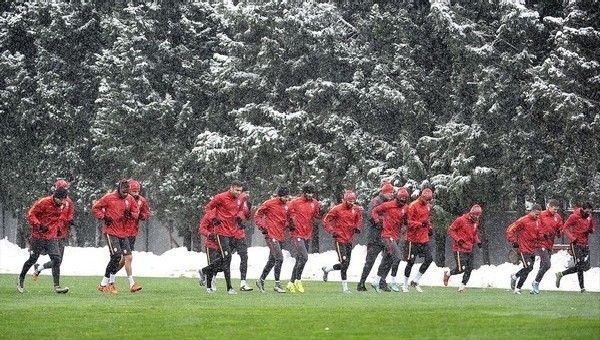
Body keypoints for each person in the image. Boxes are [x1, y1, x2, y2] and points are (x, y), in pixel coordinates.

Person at [17, 187, 70, 294]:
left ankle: (57, 286)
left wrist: (59, 229)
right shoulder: (43, 202)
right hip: (38, 236)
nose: (64, 202)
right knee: (33, 259)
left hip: (52, 237)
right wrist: (39, 225)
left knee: (56, 259)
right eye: (62, 199)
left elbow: (58, 219)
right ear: (56, 197)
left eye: (65, 199)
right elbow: (30, 214)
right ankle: (21, 278)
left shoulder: (63, 205)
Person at [93, 179, 140, 294]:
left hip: (123, 233)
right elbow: (96, 207)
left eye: (127, 191)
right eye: (123, 191)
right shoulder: (109, 197)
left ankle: (107, 283)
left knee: (128, 256)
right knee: (116, 256)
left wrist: (131, 215)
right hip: (111, 232)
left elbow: (136, 212)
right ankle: (111, 283)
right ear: (119, 188)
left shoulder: (130, 199)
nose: (125, 194)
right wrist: (104, 217)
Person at [204, 180, 245, 295]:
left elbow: (241, 210)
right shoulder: (220, 197)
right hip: (221, 231)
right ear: (231, 188)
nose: (238, 193)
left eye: (240, 191)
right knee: (227, 258)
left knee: (226, 259)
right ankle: (229, 288)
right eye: (237, 190)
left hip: (232, 232)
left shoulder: (240, 198)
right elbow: (208, 208)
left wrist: (239, 218)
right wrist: (213, 217)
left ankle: (205, 270)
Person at [321, 190, 363, 293]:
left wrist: (357, 227)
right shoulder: (337, 209)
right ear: (344, 200)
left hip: (349, 239)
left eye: (353, 201)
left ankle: (327, 269)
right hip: (339, 239)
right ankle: (345, 288)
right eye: (349, 201)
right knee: (344, 262)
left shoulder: (356, 209)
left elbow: (359, 218)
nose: (351, 203)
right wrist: (332, 231)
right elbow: (326, 220)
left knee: (346, 264)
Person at [33, 179, 74, 282]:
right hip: (51, 232)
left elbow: (70, 214)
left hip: (61, 233)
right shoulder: (50, 200)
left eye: (64, 189)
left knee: (58, 261)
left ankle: (39, 267)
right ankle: (56, 285)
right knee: (54, 258)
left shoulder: (69, 202)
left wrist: (71, 220)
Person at [370, 187, 409, 293]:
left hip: (396, 236)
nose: (403, 202)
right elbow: (375, 211)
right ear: (397, 198)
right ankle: (393, 281)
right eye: (401, 199)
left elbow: (406, 219)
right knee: (398, 257)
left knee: (387, 259)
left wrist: (406, 222)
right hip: (387, 235)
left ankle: (376, 281)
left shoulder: (405, 208)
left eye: (405, 200)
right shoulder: (388, 205)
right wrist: (377, 221)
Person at [357, 182, 395, 292]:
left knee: (388, 259)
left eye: (392, 193)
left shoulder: (391, 203)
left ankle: (382, 281)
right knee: (370, 261)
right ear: (384, 192)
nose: (391, 195)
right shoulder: (376, 201)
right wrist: (383, 221)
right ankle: (361, 282)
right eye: (390, 193)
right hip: (375, 236)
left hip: (386, 235)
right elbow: (371, 216)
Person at [286, 182, 323, 293]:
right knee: (304, 257)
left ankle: (291, 283)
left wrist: (322, 212)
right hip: (297, 233)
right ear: (304, 192)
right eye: (308, 193)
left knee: (300, 259)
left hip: (307, 233)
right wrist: (290, 223)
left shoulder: (315, 203)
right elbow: (287, 213)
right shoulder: (295, 202)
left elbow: (317, 216)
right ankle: (298, 280)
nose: (310, 195)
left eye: (312, 193)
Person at [254, 186, 292, 293]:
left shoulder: (287, 206)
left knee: (272, 260)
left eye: (287, 196)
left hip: (280, 236)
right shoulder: (269, 203)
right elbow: (257, 215)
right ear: (279, 196)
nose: (286, 199)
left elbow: (286, 220)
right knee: (279, 258)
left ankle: (260, 280)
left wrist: (290, 224)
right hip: (271, 235)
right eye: (285, 196)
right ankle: (277, 284)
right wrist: (262, 227)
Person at [115, 180, 150, 293]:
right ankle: (131, 283)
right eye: (133, 191)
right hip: (121, 231)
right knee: (126, 257)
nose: (136, 193)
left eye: (137, 191)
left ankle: (109, 276)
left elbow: (146, 214)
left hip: (132, 232)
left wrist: (140, 216)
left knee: (124, 258)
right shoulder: (123, 199)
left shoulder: (142, 201)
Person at [555, 202, 595, 293]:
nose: (588, 214)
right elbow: (565, 228)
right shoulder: (574, 216)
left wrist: (591, 230)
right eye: (587, 212)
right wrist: (573, 238)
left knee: (584, 266)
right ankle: (582, 288)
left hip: (585, 244)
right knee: (580, 265)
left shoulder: (589, 217)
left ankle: (561, 274)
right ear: (583, 209)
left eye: (590, 212)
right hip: (576, 244)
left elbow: (592, 228)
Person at [443, 204, 482, 293]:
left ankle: (461, 288)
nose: (476, 217)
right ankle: (448, 274)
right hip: (459, 249)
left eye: (478, 215)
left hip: (469, 248)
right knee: (461, 269)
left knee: (469, 268)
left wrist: (478, 241)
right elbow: (451, 229)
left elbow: (474, 234)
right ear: (471, 213)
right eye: (475, 215)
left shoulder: (476, 222)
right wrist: (458, 239)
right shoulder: (461, 220)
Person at [403, 188, 434, 293]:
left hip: (424, 238)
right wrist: (420, 224)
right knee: (410, 262)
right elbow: (408, 222)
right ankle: (405, 284)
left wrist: (429, 228)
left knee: (429, 259)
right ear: (422, 197)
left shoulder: (428, 207)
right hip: (413, 238)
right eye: (427, 200)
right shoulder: (413, 205)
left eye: (430, 200)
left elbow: (428, 220)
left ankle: (416, 280)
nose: (428, 202)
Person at [506, 204, 541, 295]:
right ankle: (518, 288)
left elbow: (537, 234)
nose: (537, 216)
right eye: (536, 214)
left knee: (529, 268)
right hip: (523, 248)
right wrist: (513, 241)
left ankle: (515, 276)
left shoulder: (537, 221)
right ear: (532, 211)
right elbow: (510, 229)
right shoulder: (523, 220)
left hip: (532, 249)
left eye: (539, 215)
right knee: (528, 267)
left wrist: (541, 239)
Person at [531, 199, 562, 294]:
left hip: (549, 244)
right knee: (547, 264)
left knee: (543, 266)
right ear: (549, 207)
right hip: (541, 243)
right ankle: (535, 282)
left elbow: (560, 227)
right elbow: (535, 226)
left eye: (557, 209)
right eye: (554, 209)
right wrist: (542, 234)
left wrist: (559, 232)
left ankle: (535, 286)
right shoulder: (542, 215)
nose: (555, 211)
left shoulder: (557, 217)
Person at [231, 182, 253, 292]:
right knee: (224, 259)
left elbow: (248, 217)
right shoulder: (233, 201)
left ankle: (243, 283)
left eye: (248, 192)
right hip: (229, 234)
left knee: (244, 257)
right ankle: (209, 273)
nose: (247, 195)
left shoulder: (247, 203)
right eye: (245, 192)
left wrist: (249, 209)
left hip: (240, 235)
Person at [198, 209, 222, 293]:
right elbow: (201, 229)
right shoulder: (209, 215)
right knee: (212, 265)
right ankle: (209, 287)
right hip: (211, 245)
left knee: (219, 266)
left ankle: (203, 271)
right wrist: (209, 234)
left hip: (221, 244)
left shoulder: (225, 214)